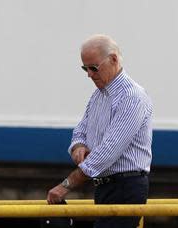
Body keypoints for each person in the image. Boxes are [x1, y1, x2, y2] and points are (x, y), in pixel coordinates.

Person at [47, 34, 153, 228]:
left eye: (93, 67)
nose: (89, 74)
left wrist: (66, 185)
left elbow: (108, 151)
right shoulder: (99, 96)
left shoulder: (132, 97)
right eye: (85, 68)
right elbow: (80, 130)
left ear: (113, 59)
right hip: (107, 185)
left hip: (125, 185)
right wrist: (78, 145)